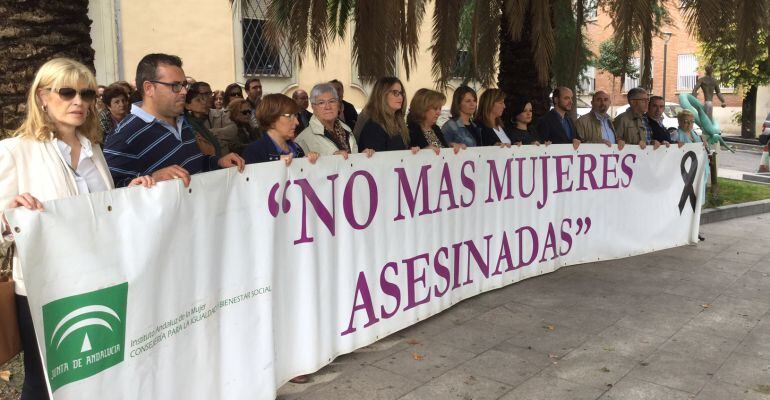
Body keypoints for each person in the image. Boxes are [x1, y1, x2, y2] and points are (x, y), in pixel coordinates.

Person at [0, 58, 154, 400]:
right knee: (45, 383)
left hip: (99, 281)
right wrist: (12, 217)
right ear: (42, 97)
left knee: (96, 374)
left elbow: (102, 211)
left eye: (86, 94)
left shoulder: (93, 150)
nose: (78, 102)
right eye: (66, 92)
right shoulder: (15, 152)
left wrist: (129, 197)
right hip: (46, 288)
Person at [104, 53, 244, 188]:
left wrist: (218, 162)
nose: (184, 91)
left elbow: (194, 164)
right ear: (149, 88)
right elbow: (113, 197)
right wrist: (154, 179)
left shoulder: (181, 122)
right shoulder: (122, 136)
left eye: (184, 85)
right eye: (175, 86)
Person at [295, 83, 375, 158]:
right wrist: (332, 158)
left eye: (332, 101)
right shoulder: (303, 139)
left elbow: (353, 164)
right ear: (313, 107)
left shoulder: (347, 130)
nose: (328, 107)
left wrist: (361, 156)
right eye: (321, 103)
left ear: (338, 104)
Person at [244, 93, 319, 166]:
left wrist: (308, 163)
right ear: (272, 118)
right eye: (289, 116)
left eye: (295, 116)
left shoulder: (297, 148)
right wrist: (274, 165)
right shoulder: (254, 152)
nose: (297, 122)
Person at [357, 77, 417, 152]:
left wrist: (412, 152)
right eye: (395, 93)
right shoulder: (373, 126)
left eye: (401, 93)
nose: (401, 97)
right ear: (382, 95)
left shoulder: (400, 124)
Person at [674, 109, 708, 241]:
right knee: (687, 203)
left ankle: (694, 230)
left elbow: (704, 151)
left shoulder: (696, 134)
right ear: (679, 122)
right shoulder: (676, 135)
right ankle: (682, 231)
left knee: (697, 202)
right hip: (686, 176)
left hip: (699, 173)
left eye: (691, 122)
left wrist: (704, 144)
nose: (689, 124)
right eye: (686, 122)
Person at [407, 89, 464, 154]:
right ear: (422, 108)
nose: (439, 113)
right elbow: (405, 158)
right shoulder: (410, 132)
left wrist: (451, 148)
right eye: (435, 108)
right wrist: (422, 152)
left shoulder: (436, 129)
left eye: (440, 108)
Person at [184, 82, 225, 157]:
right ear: (187, 105)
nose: (204, 101)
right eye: (198, 100)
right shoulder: (189, 125)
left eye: (210, 94)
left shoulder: (199, 120)